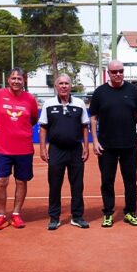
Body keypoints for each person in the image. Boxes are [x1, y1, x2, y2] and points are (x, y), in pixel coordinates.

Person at [89, 60, 137, 227]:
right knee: (107, 181)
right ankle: (108, 213)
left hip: (130, 145)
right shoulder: (100, 92)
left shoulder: (132, 90)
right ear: (108, 73)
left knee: (130, 181)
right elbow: (93, 118)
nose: (118, 74)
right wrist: (95, 141)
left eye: (120, 71)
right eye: (114, 72)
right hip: (106, 146)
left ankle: (130, 212)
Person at [39, 73, 90, 230]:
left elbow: (84, 126)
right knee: (55, 185)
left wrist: (86, 147)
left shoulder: (79, 104)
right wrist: (42, 148)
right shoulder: (48, 104)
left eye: (66, 83)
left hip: (75, 150)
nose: (63, 86)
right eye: (60, 83)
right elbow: (43, 127)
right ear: (56, 86)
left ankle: (77, 216)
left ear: (70, 86)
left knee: (77, 185)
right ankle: (54, 217)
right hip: (56, 150)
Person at [0, 67, 39, 229]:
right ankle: (1, 215)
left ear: (24, 81)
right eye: (13, 78)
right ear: (8, 80)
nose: (16, 81)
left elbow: (33, 119)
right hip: (3, 149)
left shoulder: (30, 99)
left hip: (24, 148)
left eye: (19, 78)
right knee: (1, 182)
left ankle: (16, 214)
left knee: (21, 181)